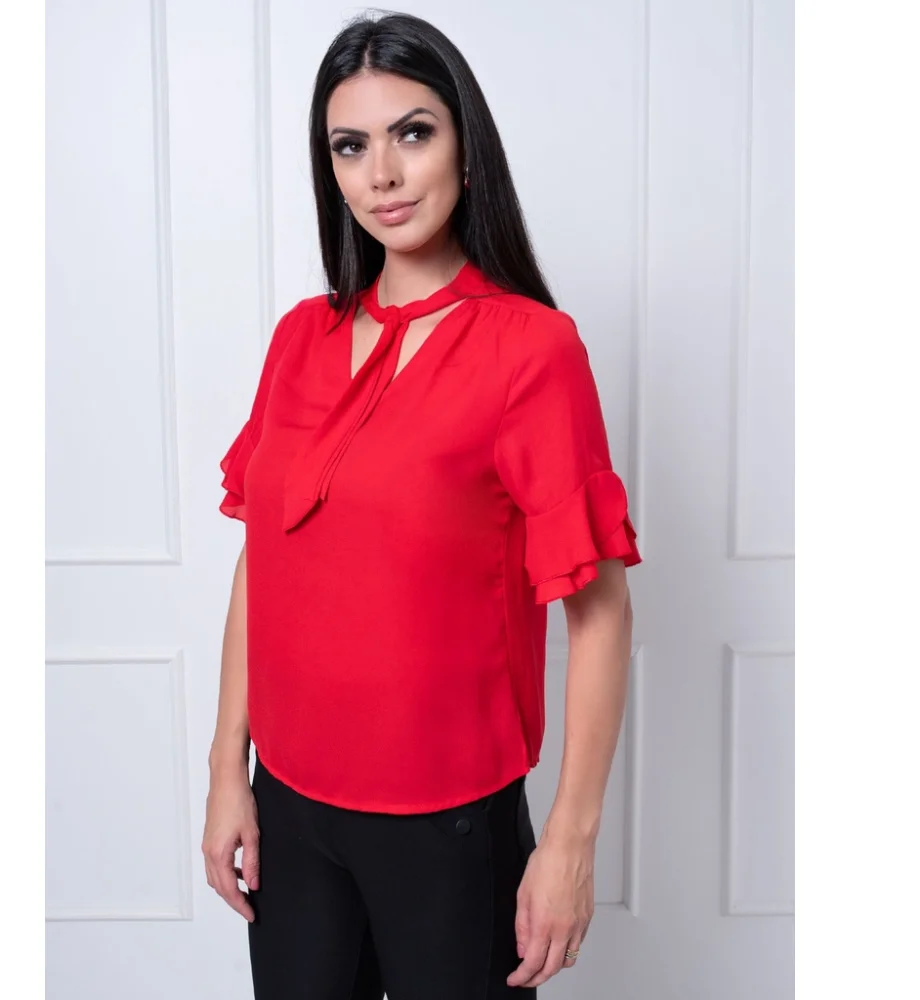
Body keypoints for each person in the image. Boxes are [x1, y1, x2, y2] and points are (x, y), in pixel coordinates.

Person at [201, 11, 641, 999]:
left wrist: (569, 842)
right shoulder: (300, 338)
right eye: (350, 146)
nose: (383, 175)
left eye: (412, 132)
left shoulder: (532, 350)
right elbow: (261, 561)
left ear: (466, 148)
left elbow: (600, 610)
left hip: (450, 825)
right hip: (290, 810)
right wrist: (228, 770)